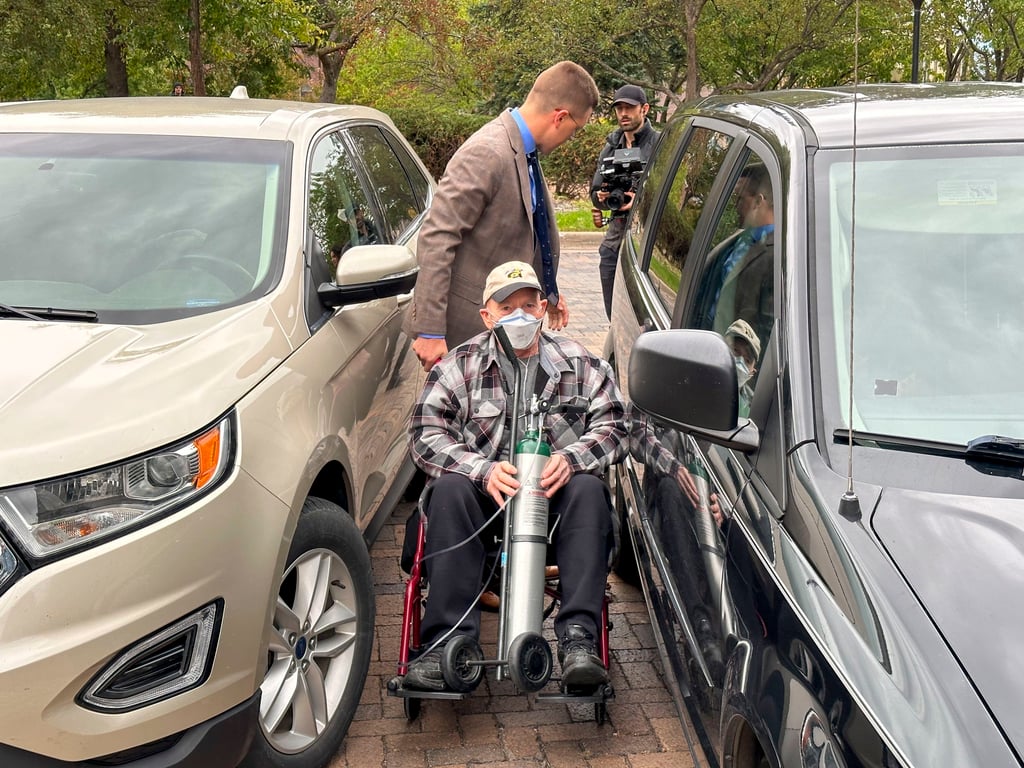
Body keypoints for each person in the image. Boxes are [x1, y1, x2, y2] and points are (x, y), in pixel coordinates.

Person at [403, 260, 627, 693]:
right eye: (507, 308)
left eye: (529, 304)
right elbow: (424, 433)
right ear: (486, 316)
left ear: (544, 308)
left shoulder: (580, 363)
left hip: (554, 503)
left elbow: (616, 424)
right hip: (483, 505)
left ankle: (579, 641)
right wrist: (481, 470)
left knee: (588, 490)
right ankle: (445, 646)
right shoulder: (458, 367)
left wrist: (574, 458)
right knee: (448, 489)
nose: (520, 315)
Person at [406, 61, 600, 371]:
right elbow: (437, 235)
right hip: (465, 335)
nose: (570, 139)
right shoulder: (488, 152)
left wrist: (547, 289)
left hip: (504, 331)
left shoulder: (524, 152)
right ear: (560, 117)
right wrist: (430, 330)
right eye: (575, 130)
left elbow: (528, 230)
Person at [590, 85, 660, 318]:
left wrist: (638, 202)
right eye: (619, 108)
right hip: (615, 237)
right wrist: (601, 201)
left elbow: (670, 192)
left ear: (645, 109)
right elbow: (596, 191)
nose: (623, 113)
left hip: (647, 240)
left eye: (629, 107)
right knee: (615, 314)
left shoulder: (660, 144)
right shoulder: (610, 146)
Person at [703, 162, 775, 344]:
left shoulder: (777, 257)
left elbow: (767, 334)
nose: (736, 206)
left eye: (740, 198)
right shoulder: (739, 239)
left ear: (758, 202)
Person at [725, 318, 760, 417]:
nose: (740, 361)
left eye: (747, 360)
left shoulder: (754, 407)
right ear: (721, 348)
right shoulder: (701, 383)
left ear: (752, 373)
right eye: (735, 350)